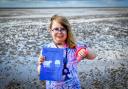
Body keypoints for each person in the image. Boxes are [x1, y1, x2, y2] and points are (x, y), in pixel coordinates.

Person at [37, 15, 96, 89]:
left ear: (67, 31)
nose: (59, 32)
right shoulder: (47, 49)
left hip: (73, 86)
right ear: (50, 30)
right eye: (56, 29)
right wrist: (41, 64)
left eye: (63, 29)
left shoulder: (74, 46)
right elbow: (40, 71)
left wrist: (85, 51)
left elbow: (93, 56)